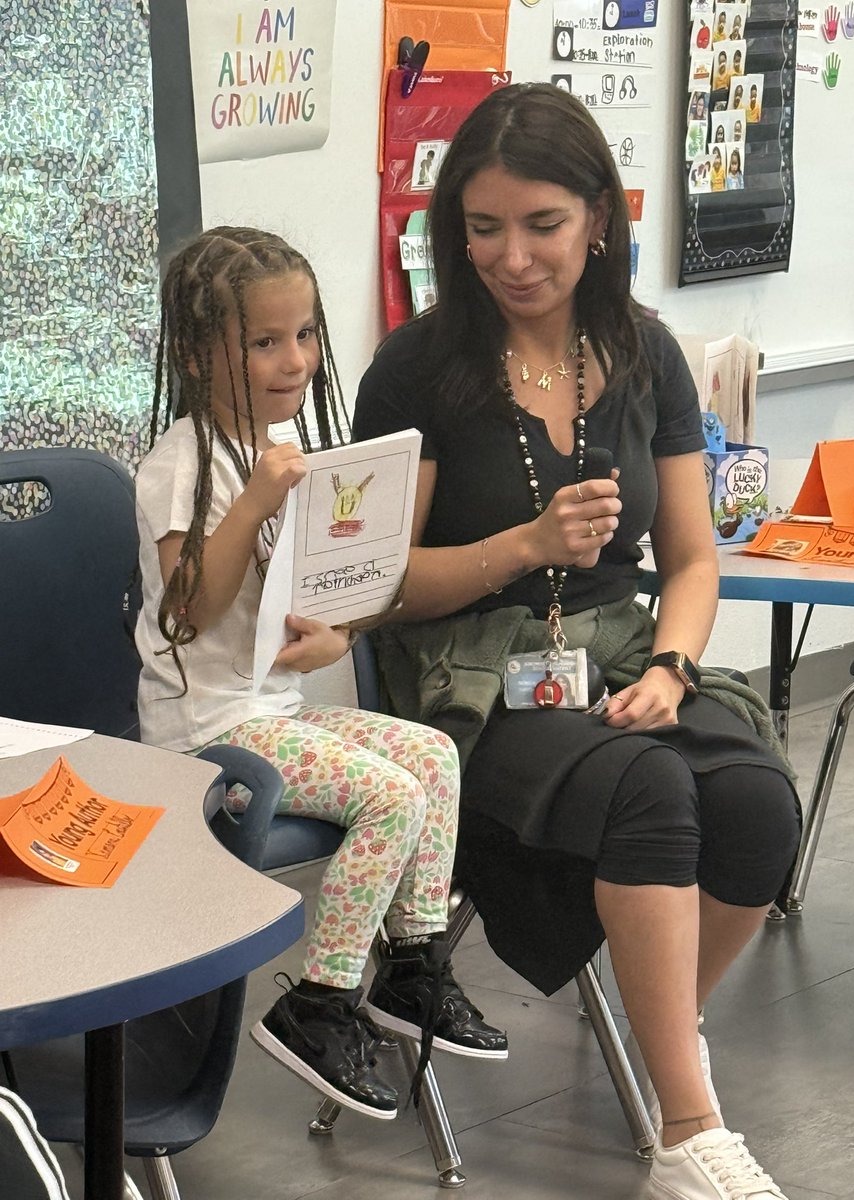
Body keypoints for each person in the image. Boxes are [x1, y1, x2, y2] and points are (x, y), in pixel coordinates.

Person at [353, 83, 800, 1200]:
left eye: (542, 225)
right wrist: (522, 542)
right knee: (650, 789)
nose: (512, 257)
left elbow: (692, 561)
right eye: (483, 227)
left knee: (755, 801)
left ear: (599, 217)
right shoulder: (416, 370)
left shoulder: (642, 350)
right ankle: (687, 1131)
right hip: (466, 682)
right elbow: (377, 590)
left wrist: (671, 667)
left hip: (617, 648)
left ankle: (664, 1032)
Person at [134, 226, 506, 1121]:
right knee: (390, 797)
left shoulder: (291, 445)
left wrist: (338, 637)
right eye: (265, 341)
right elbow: (191, 611)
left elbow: (346, 592)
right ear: (195, 352)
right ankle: (322, 999)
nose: (294, 359)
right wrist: (260, 496)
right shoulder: (176, 467)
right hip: (207, 734)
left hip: (275, 709)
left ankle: (412, 964)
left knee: (431, 758)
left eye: (305, 336)